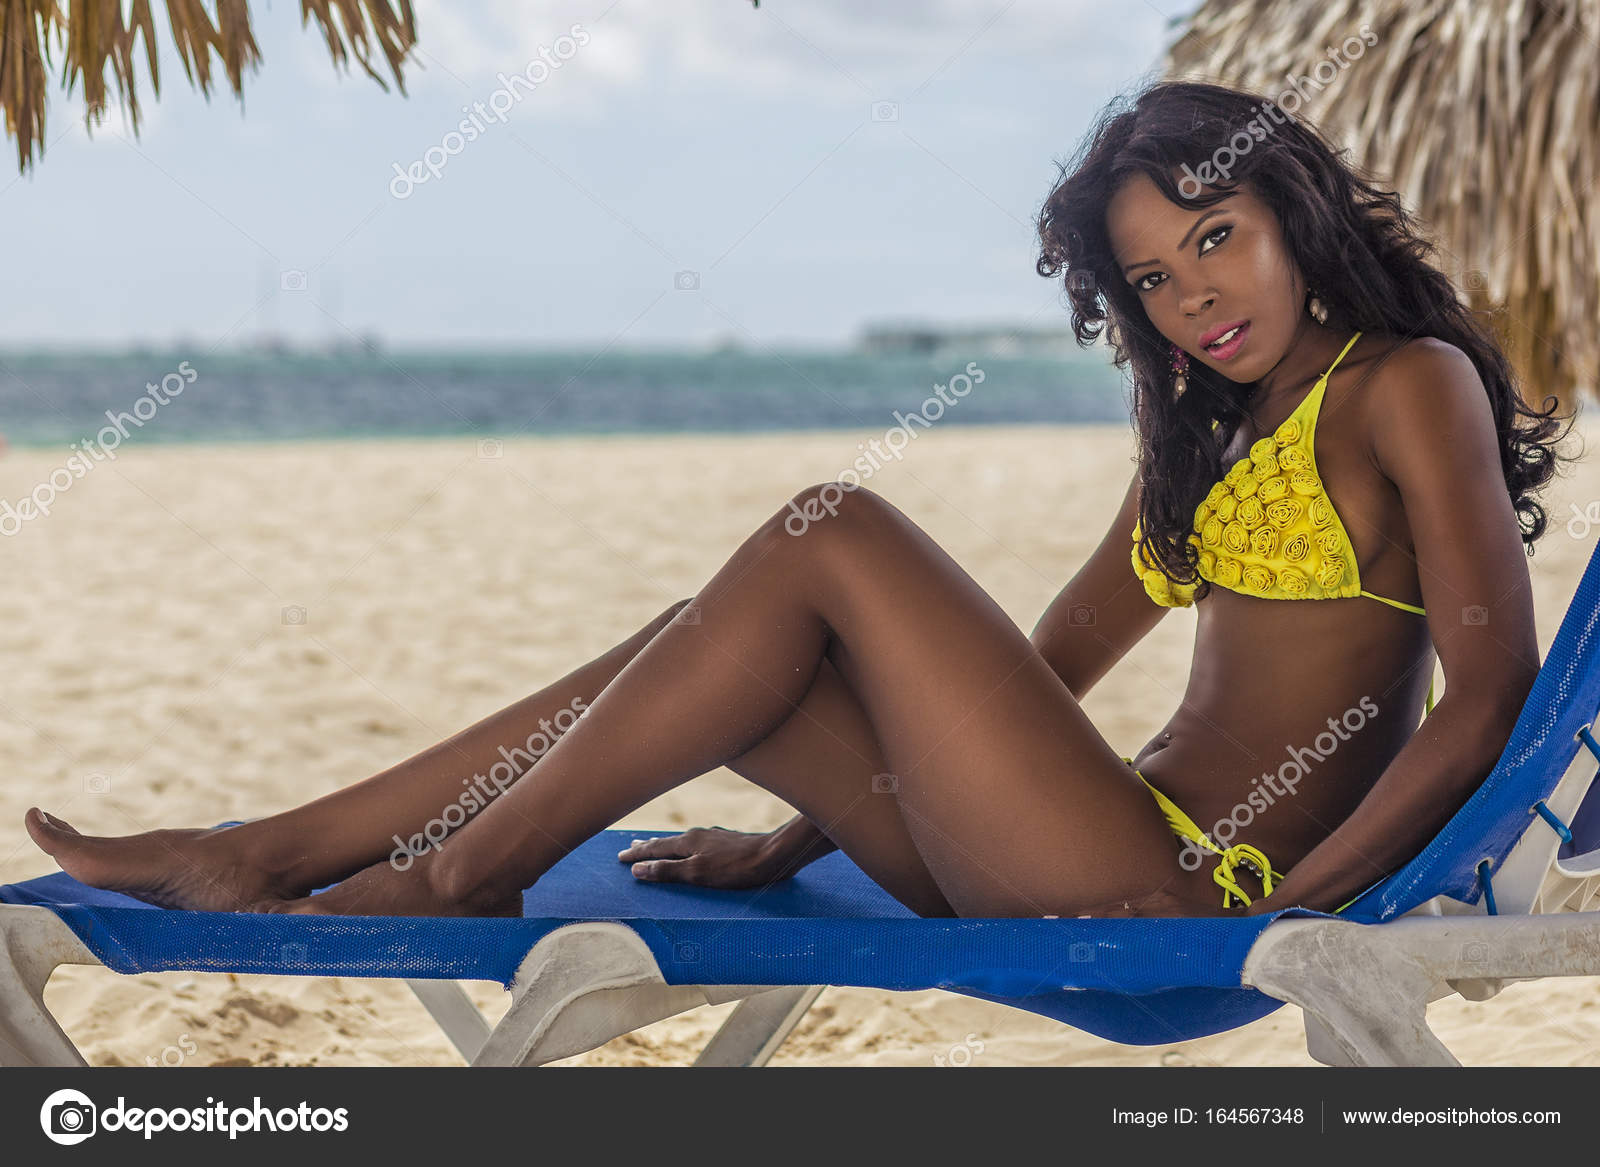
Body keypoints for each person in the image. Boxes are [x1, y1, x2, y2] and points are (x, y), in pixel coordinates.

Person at [23, 80, 1573, 920]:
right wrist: (801, 840)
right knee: (715, 644)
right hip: (1078, 840)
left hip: (1183, 889)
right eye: (1153, 281)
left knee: (832, 529)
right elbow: (1046, 673)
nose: (1192, 299)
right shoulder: (1224, 425)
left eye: (1218, 238)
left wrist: (1298, 907)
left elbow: (1486, 688)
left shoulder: (1404, 383)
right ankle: (278, 851)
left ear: (1291, 208)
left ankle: (438, 877)